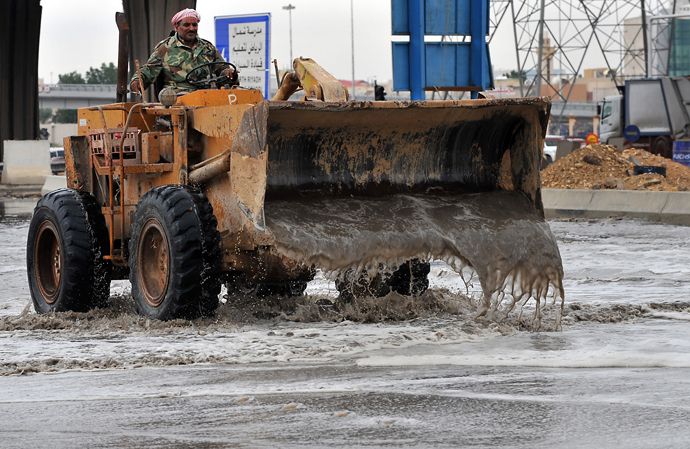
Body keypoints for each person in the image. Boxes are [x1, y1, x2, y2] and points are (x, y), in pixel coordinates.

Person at [129, 8, 236, 95]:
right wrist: (138, 80)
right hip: (176, 98)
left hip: (205, 97)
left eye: (194, 25)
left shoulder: (208, 48)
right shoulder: (164, 48)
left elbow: (222, 69)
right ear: (176, 26)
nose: (192, 28)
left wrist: (229, 73)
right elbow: (149, 70)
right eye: (186, 25)